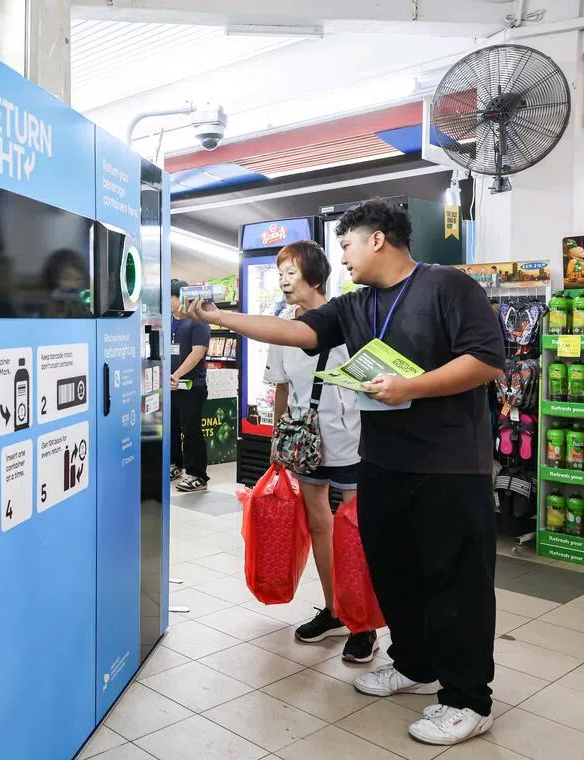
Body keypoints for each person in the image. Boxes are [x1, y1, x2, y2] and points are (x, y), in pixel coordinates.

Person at [187, 200, 504, 747]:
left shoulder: (448, 287)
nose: (343, 256)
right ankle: (414, 664)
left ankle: (469, 698)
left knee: (455, 579)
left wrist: (411, 386)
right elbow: (294, 333)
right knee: (395, 570)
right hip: (381, 462)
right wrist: (220, 318)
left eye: (348, 244)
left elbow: (486, 359)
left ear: (378, 238)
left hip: (450, 465)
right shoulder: (356, 306)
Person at [263, 241, 376, 664]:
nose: (284, 281)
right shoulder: (279, 326)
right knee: (318, 523)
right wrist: (278, 441)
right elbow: (280, 385)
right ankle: (333, 610)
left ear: (314, 275)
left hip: (348, 436)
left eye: (291, 272)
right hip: (303, 439)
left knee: (354, 530)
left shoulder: (346, 320)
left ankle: (363, 622)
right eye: (280, 274)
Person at [170, 280, 211, 492]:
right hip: (170, 386)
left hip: (192, 386)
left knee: (191, 430)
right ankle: (175, 464)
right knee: (171, 427)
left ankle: (197, 474)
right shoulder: (166, 321)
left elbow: (198, 352)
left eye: (168, 297)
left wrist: (176, 375)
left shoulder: (198, 321)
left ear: (180, 298)